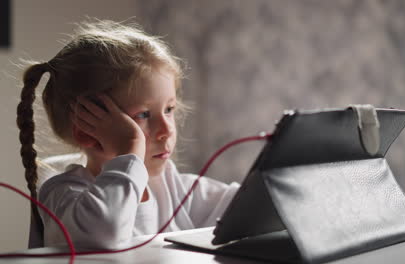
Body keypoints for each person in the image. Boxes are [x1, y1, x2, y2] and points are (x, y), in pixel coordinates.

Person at [17, 19, 240, 249]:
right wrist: (131, 148)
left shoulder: (171, 187)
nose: (167, 130)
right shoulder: (61, 194)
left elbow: (248, 208)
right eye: (144, 115)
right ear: (87, 130)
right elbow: (103, 233)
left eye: (169, 109)